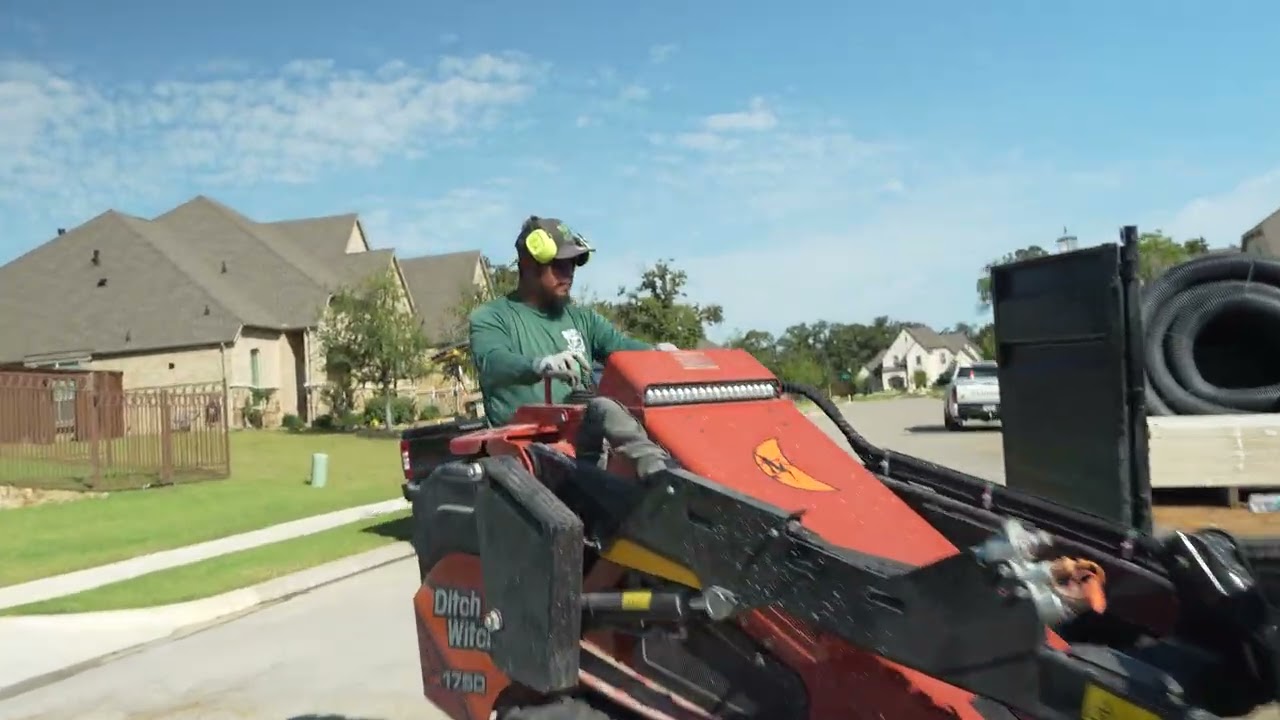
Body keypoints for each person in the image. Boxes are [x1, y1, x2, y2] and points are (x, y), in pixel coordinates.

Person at [469, 215, 675, 426]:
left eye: (572, 265)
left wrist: (655, 354)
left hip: (584, 437)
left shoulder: (583, 318)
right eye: (558, 265)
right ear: (529, 264)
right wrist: (539, 366)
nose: (568, 274)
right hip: (523, 444)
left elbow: (620, 348)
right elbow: (493, 361)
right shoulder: (492, 317)